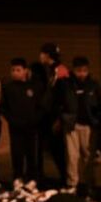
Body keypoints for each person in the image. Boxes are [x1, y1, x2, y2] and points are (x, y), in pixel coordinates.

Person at [55, 56, 101, 194]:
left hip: (89, 125)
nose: (82, 74)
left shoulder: (93, 84)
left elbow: (100, 104)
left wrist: (100, 121)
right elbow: (59, 102)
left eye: (84, 70)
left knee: (88, 157)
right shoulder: (66, 84)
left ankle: (90, 185)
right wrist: (62, 118)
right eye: (79, 70)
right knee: (72, 156)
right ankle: (72, 184)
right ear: (74, 70)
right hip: (71, 124)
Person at [0, 57, 41, 185]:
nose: (15, 72)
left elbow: (40, 106)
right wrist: (11, 120)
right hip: (15, 126)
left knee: (31, 153)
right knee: (17, 152)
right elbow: (3, 107)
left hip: (31, 126)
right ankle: (18, 177)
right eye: (13, 70)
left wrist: (35, 119)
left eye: (18, 70)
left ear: (25, 71)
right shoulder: (8, 87)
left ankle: (32, 178)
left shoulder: (34, 86)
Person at [33, 42, 69, 182]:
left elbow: (62, 97)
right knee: (52, 150)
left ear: (47, 55)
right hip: (49, 116)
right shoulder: (49, 70)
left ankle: (66, 179)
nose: (40, 56)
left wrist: (59, 119)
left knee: (59, 150)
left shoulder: (60, 71)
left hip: (56, 117)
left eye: (42, 53)